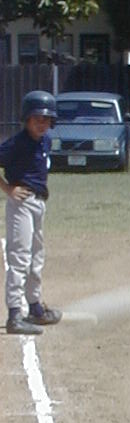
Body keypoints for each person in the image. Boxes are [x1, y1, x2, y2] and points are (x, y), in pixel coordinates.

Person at [1, 90, 62, 336]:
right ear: (26, 118)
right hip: (22, 203)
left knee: (37, 257)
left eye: (47, 119)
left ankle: (35, 306)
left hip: (38, 203)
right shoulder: (17, 143)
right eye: (37, 118)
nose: (42, 123)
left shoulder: (45, 142)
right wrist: (8, 189)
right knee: (20, 257)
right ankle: (15, 314)